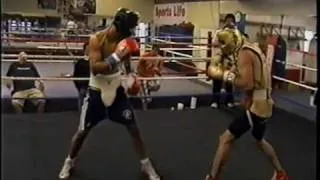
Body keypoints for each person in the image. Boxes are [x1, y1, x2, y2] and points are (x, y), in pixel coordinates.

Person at [58, 8, 160, 180]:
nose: (128, 35)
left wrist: (130, 76)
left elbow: (127, 61)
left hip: (116, 89)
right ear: (119, 26)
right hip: (96, 91)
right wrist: (116, 57)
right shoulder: (97, 39)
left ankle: (146, 164)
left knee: (133, 128)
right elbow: (95, 68)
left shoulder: (125, 40)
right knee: (83, 131)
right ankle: (69, 161)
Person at [205, 30, 289, 180]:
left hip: (258, 107)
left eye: (224, 46)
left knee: (225, 138)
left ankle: (212, 177)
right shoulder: (253, 47)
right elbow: (257, 79)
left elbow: (247, 83)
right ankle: (281, 173)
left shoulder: (244, 53)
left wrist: (224, 75)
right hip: (264, 103)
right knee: (259, 140)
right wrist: (248, 96)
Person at [210, 14, 238, 109]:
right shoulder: (219, 32)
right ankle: (215, 101)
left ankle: (229, 101)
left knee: (229, 82)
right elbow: (213, 43)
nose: (229, 23)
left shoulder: (236, 33)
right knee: (217, 81)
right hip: (219, 60)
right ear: (225, 22)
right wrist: (222, 42)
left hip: (229, 61)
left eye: (231, 21)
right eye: (228, 21)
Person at [73, 42, 90, 110]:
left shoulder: (96, 61)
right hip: (83, 86)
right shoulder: (80, 62)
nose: (89, 50)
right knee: (82, 94)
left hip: (94, 86)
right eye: (87, 49)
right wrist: (79, 87)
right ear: (84, 50)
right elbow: (76, 76)